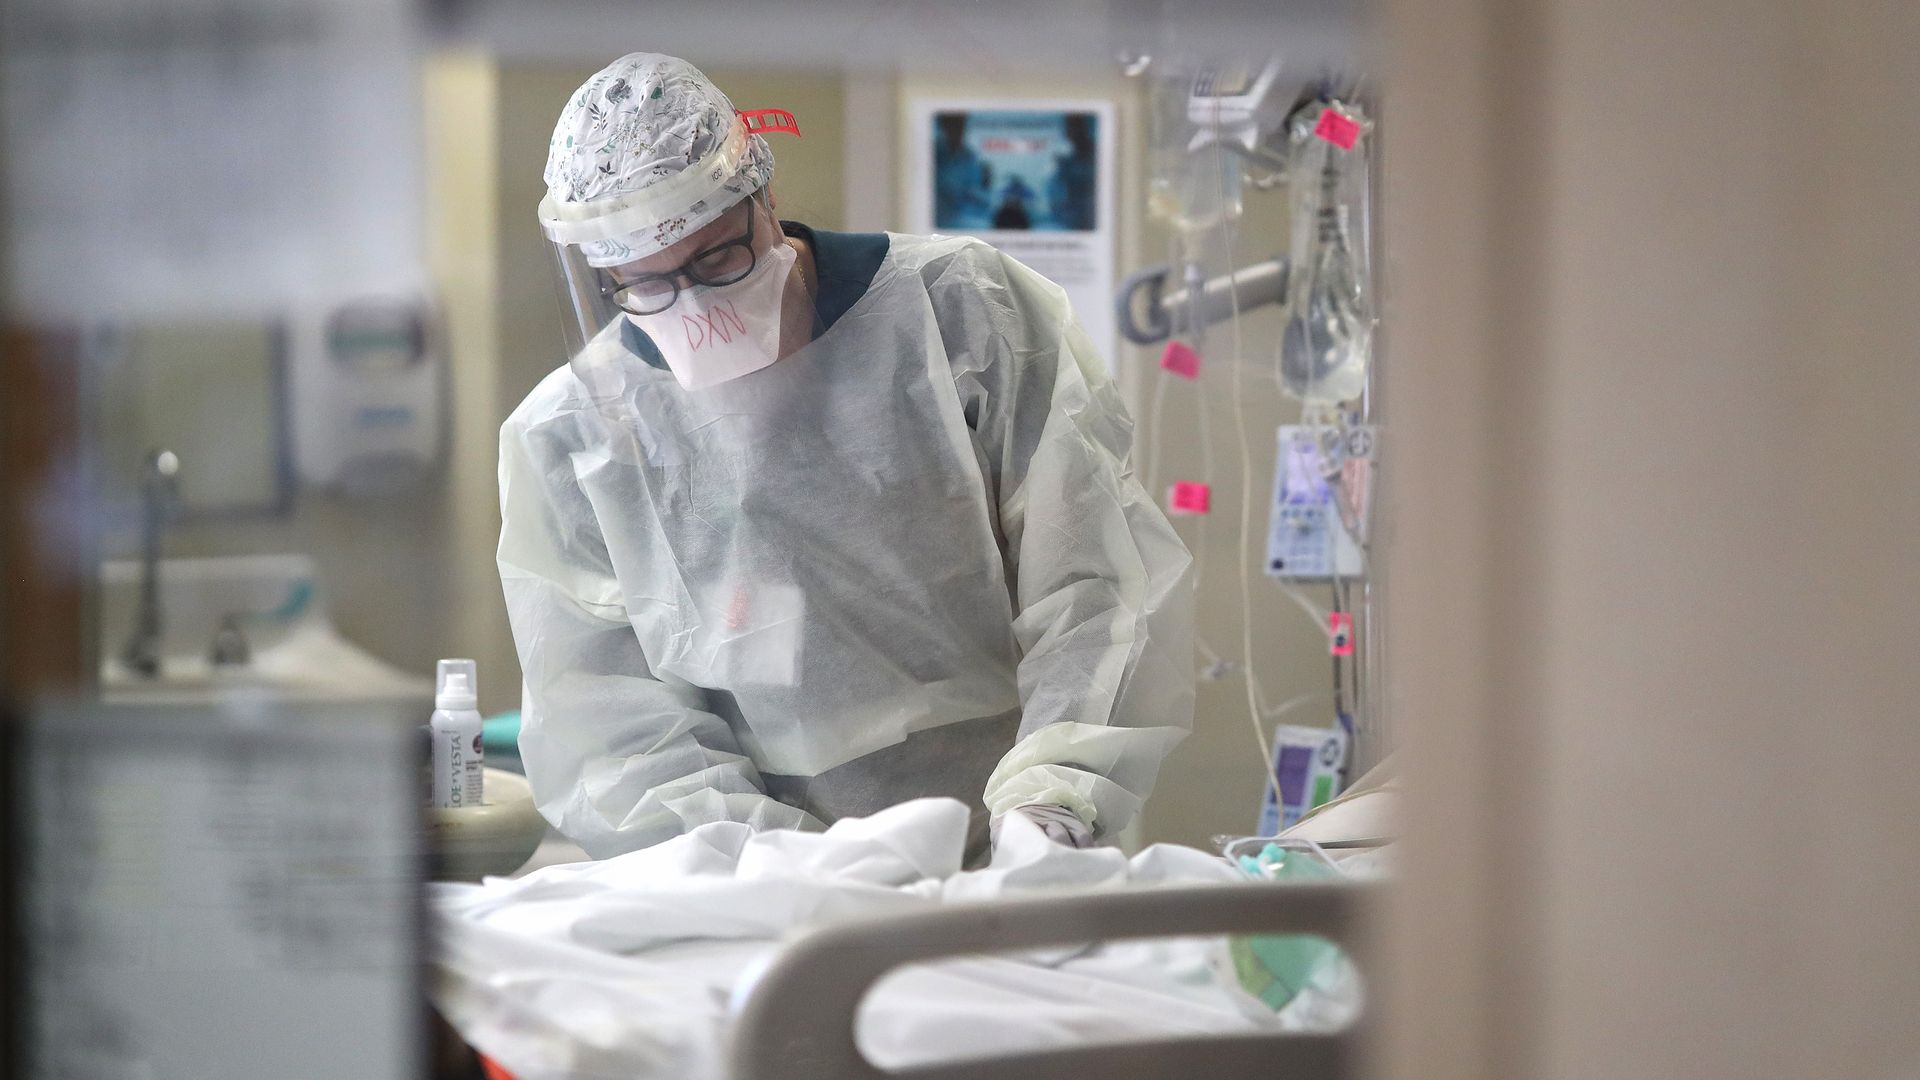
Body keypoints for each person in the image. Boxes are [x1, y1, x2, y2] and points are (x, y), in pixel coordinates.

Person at [500, 52, 1194, 863]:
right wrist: (778, 863)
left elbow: (1095, 584)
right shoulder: (576, 434)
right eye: (644, 284)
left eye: (716, 258)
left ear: (762, 197)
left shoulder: (960, 313)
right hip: (762, 878)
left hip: (1015, 840)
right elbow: (610, 720)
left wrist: (1050, 809)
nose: (693, 308)